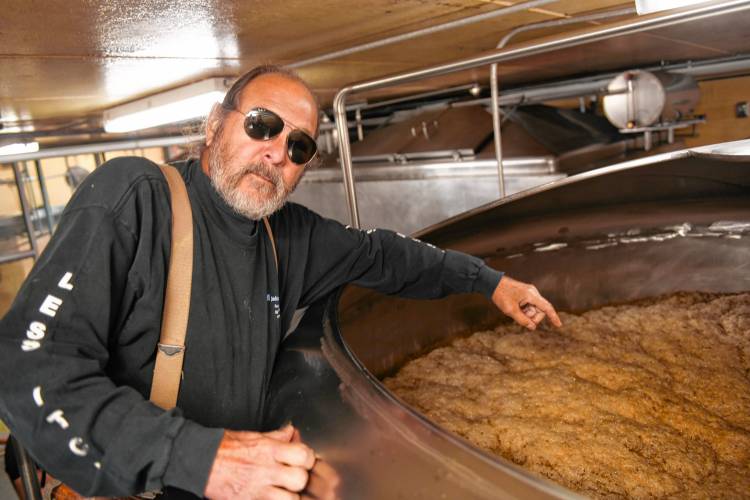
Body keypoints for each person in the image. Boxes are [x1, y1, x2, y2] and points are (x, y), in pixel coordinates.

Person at [0, 65, 561, 500]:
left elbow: (386, 256)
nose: (276, 152)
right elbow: (28, 371)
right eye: (262, 125)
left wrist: (489, 282)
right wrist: (206, 460)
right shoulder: (136, 198)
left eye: (299, 146)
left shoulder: (287, 236)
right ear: (215, 124)